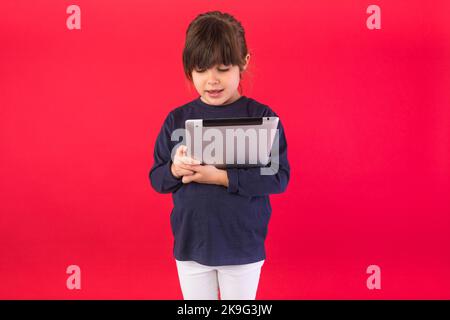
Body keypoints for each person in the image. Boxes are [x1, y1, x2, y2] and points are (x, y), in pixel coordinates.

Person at [149, 11, 290, 300]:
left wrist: (221, 177)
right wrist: (175, 170)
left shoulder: (261, 117)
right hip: (191, 245)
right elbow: (157, 178)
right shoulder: (177, 120)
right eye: (201, 70)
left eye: (223, 68)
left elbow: (278, 177)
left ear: (244, 63)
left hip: (242, 245)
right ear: (189, 70)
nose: (212, 80)